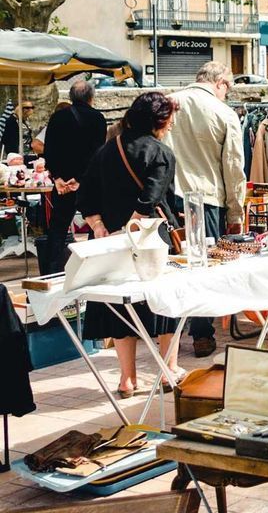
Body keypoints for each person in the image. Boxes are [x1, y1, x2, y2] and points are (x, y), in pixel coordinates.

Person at [79, 91, 183, 397]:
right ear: (159, 120)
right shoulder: (161, 153)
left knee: (121, 307)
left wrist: (100, 228)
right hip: (150, 240)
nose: (172, 124)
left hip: (110, 242)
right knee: (166, 302)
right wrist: (131, 227)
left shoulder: (106, 151)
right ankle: (168, 371)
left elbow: (85, 197)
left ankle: (127, 378)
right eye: (170, 118)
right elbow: (150, 200)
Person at [164, 62, 246, 358]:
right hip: (207, 200)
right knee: (202, 271)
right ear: (221, 83)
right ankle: (202, 334)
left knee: (170, 267)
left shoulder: (169, 103)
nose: (228, 94)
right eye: (229, 88)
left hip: (167, 198)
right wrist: (236, 214)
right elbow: (234, 168)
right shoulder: (223, 113)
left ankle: (167, 334)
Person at [43, 80, 106, 273]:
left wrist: (57, 178)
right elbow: (97, 154)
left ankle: (54, 271)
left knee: (58, 227)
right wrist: (79, 179)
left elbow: (49, 150)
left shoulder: (57, 118)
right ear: (91, 97)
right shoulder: (98, 118)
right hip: (87, 183)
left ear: (70, 97)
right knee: (95, 224)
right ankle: (91, 268)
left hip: (62, 185)